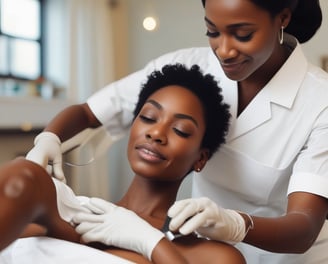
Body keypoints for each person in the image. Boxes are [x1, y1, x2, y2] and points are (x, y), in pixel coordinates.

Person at [25, 0, 328, 263]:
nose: (223, 50)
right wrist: (49, 138)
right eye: (212, 31)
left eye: (243, 34)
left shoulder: (320, 102)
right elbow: (89, 112)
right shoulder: (188, 66)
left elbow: (303, 225)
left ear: (283, 19)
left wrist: (236, 224)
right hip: (203, 246)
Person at [1, 64, 245, 263]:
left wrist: (151, 243)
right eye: (148, 118)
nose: (156, 133)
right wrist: (33, 173)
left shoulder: (214, 256)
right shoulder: (74, 212)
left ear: (200, 158)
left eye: (180, 130)